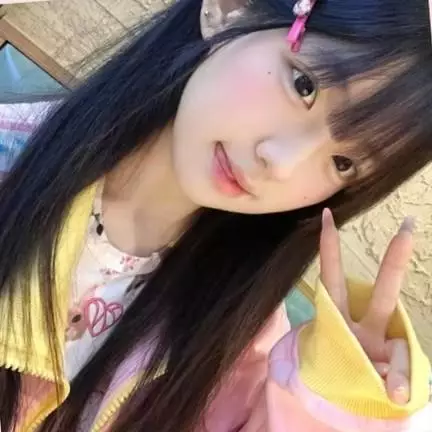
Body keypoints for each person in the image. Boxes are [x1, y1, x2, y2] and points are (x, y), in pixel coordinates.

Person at [0, 0, 431, 430]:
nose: (282, 163)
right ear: (231, 9)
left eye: (343, 163)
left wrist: (327, 408)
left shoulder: (240, 340)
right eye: (304, 85)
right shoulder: (12, 167)